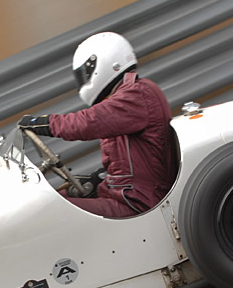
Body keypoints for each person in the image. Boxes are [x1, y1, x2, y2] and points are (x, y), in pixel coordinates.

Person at [19, 32, 178, 218]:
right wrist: (98, 179)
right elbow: (132, 160)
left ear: (101, 63)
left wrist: (41, 123)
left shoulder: (137, 94)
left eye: (84, 74)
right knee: (57, 199)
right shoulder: (126, 98)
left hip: (136, 203)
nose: (83, 81)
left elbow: (86, 123)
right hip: (125, 195)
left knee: (50, 213)